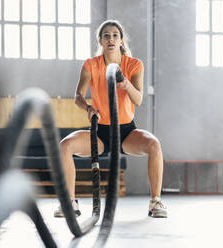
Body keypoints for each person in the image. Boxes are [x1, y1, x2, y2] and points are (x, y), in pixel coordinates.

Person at [54, 20, 167, 218]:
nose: (111, 39)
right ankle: (69, 202)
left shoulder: (134, 65)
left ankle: (155, 202)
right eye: (106, 35)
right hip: (100, 132)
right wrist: (88, 108)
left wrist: (126, 86)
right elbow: (78, 96)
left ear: (121, 40)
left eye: (115, 35)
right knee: (65, 145)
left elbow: (138, 99)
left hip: (126, 132)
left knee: (154, 145)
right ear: (100, 40)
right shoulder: (91, 65)